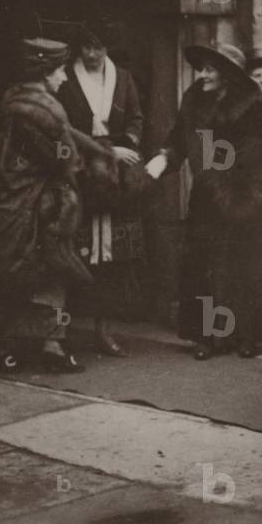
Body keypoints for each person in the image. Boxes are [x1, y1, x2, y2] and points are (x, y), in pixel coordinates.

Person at [0, 37, 114, 373]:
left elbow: (66, 136)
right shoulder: (45, 111)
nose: (64, 77)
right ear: (45, 72)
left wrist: (94, 148)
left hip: (9, 202)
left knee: (13, 272)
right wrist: (96, 162)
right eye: (60, 71)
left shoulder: (16, 100)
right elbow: (64, 158)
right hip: (35, 206)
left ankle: (8, 346)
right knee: (48, 272)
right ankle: (46, 345)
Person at [146, 43, 262, 360]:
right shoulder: (193, 101)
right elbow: (179, 138)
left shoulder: (254, 105)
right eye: (202, 69)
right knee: (206, 269)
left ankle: (243, 336)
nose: (203, 75)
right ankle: (209, 337)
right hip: (206, 198)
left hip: (245, 199)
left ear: (228, 74)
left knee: (242, 268)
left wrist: (250, 190)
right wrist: (165, 158)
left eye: (210, 69)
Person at [57, 19, 147, 357]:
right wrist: (102, 151)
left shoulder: (122, 78)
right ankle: (63, 332)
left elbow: (136, 118)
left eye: (98, 47)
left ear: (107, 47)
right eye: (87, 47)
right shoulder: (65, 78)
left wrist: (126, 145)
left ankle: (103, 329)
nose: (92, 54)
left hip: (114, 179)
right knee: (73, 252)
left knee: (111, 258)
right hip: (80, 174)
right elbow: (62, 128)